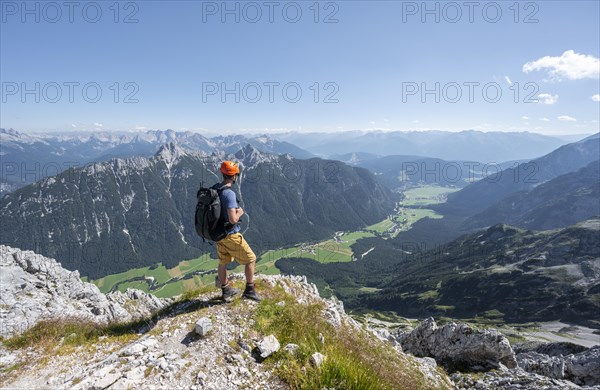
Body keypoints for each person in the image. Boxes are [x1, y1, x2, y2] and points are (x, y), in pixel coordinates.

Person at [215, 160, 262, 302]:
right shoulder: (229, 194)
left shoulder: (216, 189)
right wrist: (239, 212)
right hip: (230, 235)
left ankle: (226, 290)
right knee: (251, 259)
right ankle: (249, 290)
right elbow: (233, 219)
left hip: (218, 235)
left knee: (223, 262)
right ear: (234, 176)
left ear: (223, 174)